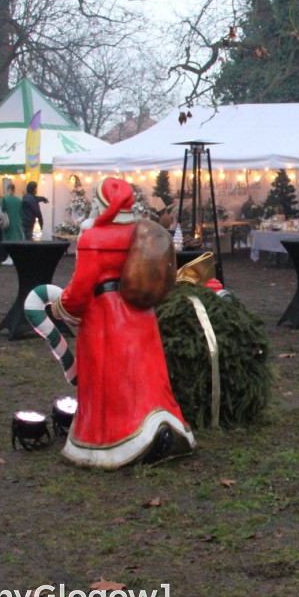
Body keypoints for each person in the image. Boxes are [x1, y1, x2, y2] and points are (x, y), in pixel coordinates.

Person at [51, 177, 194, 469]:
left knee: (111, 382)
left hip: (105, 319)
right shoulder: (141, 232)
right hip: (142, 316)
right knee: (146, 376)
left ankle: (114, 441)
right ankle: (157, 425)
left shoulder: (93, 239)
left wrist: (62, 307)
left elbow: (80, 290)